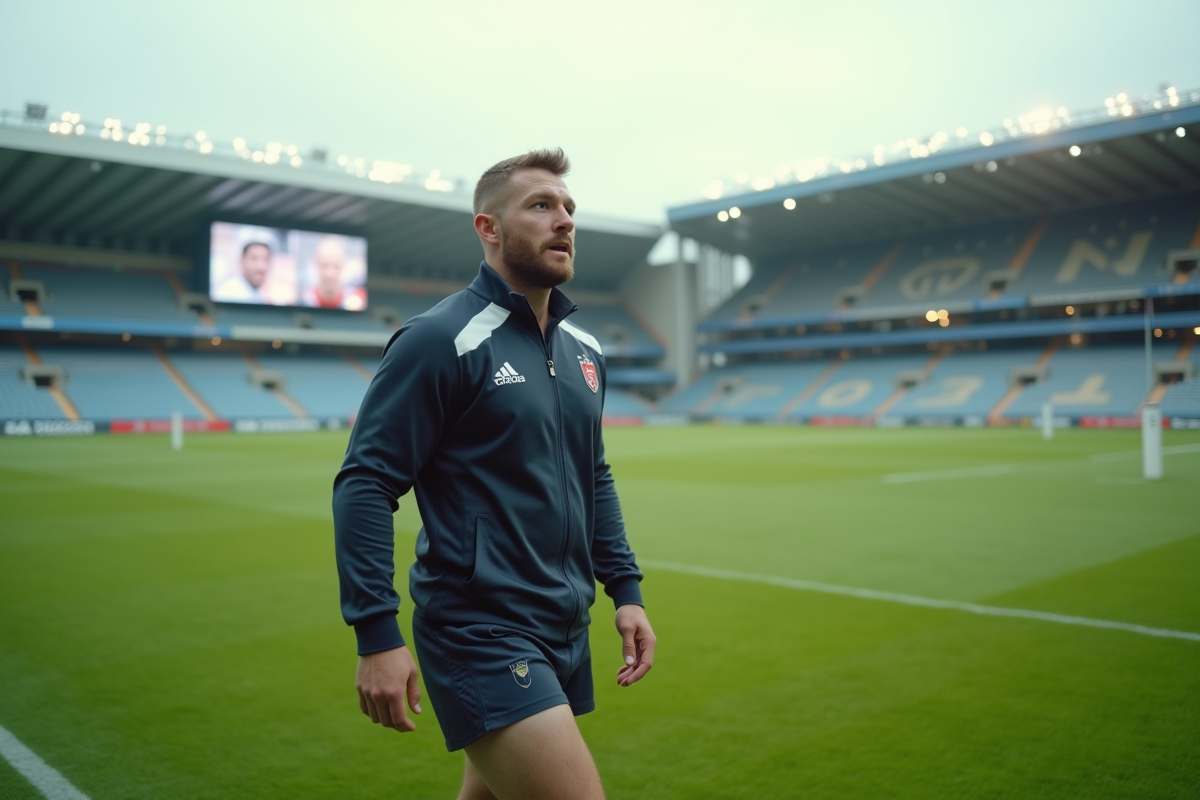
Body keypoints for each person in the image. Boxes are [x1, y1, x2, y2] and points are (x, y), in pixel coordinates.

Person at [333, 148, 655, 800]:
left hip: (565, 621)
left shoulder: (586, 352)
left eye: (568, 208)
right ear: (489, 228)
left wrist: (625, 590)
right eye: (540, 206)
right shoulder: (441, 340)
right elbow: (366, 481)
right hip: (479, 629)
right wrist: (375, 637)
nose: (563, 221)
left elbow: (593, 476)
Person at [303, 236, 366, 311]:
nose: (330, 274)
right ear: (315, 265)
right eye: (324, 266)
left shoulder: (358, 300)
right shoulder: (303, 300)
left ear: (343, 265)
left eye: (336, 266)